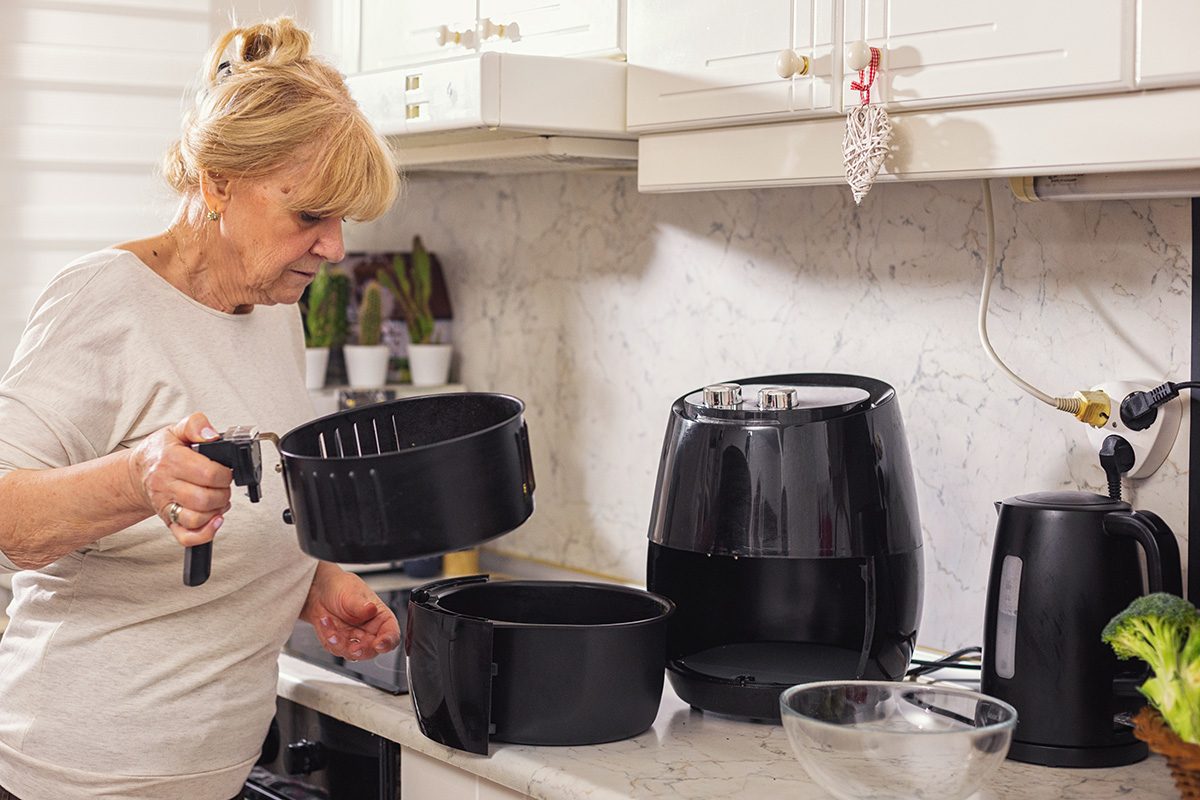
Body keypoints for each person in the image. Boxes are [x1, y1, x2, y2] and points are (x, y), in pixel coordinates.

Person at [0, 17, 401, 800]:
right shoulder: (105, 300)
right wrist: (138, 476)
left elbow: (248, 493)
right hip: (67, 778)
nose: (335, 247)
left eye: (343, 220)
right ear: (219, 181)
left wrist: (313, 578)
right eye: (311, 214)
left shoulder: (276, 310)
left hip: (203, 777)